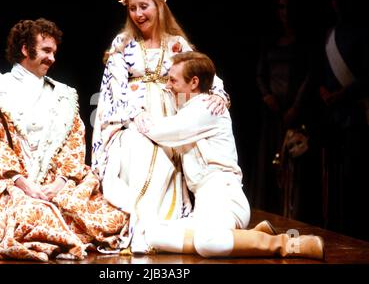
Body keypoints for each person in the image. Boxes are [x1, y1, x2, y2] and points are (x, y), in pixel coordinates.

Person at [0, 18, 128, 262]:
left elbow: (73, 143)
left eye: (54, 52)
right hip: (6, 183)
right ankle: (50, 237)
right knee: (29, 215)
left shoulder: (64, 95)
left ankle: (53, 235)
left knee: (112, 217)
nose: (52, 58)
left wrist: (59, 182)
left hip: (51, 183)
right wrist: (24, 184)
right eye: (46, 51)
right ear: (26, 49)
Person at [92, 0, 230, 253]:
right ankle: (138, 226)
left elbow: (201, 72)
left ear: (158, 6)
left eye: (144, 6)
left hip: (170, 117)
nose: (138, 14)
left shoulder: (176, 44)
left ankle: (159, 229)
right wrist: (131, 115)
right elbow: (113, 86)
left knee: (168, 164)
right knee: (139, 156)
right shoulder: (123, 43)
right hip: (134, 116)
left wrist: (218, 95)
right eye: (133, 8)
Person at [139, 51, 324, 259]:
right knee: (153, 235)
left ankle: (286, 243)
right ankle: (249, 238)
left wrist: (139, 116)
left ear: (194, 83)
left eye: (173, 80)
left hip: (224, 197)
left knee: (207, 243)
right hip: (204, 204)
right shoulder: (189, 105)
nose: (168, 85)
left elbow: (164, 132)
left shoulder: (206, 108)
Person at [252, 0, 320, 220]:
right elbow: (260, 74)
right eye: (281, 7)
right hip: (272, 113)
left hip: (294, 114)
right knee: (270, 163)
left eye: (289, 8)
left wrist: (296, 107)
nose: (285, 13)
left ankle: (292, 215)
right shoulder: (270, 42)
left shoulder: (304, 44)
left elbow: (310, 77)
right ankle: (268, 214)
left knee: (293, 165)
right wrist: (266, 95)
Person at [318, 0, 369, 241]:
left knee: (353, 180)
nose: (336, 4)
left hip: (355, 115)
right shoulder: (329, 33)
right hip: (333, 117)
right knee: (332, 180)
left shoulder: (363, 32)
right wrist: (324, 91)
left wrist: (342, 94)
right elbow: (323, 72)